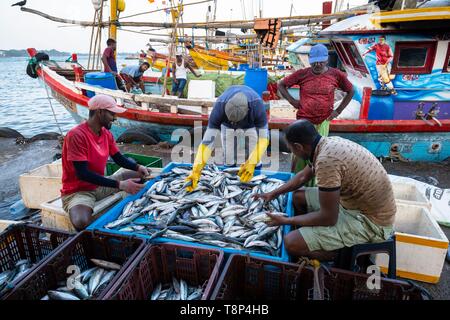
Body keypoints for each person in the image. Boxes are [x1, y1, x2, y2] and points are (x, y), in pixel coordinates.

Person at [254, 120, 396, 261]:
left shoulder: (326, 161)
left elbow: (328, 218)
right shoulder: (326, 144)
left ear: (299, 147)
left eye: (291, 150)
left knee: (291, 243)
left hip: (372, 222)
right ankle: (312, 238)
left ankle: (337, 257)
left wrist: (287, 220)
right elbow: (303, 176)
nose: (293, 154)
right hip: (355, 204)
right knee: (297, 196)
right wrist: (273, 193)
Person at [61, 95, 149, 231]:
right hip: (79, 191)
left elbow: (118, 159)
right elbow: (82, 174)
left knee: (140, 176)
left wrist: (138, 167)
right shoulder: (76, 135)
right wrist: (120, 184)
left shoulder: (106, 134)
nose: (115, 118)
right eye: (112, 114)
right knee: (81, 222)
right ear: (99, 112)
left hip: (100, 183)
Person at [277, 44, 354, 181]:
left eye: (321, 61)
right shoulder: (302, 74)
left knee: (318, 155)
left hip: (323, 121)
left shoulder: (336, 74)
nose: (317, 65)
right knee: (299, 156)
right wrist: (292, 101)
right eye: (314, 62)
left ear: (326, 60)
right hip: (303, 122)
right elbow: (281, 85)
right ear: (310, 60)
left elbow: (350, 91)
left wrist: (338, 111)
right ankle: (295, 185)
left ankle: (315, 186)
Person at [185, 85, 269, 191]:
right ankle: (229, 186)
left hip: (250, 126)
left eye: (237, 122)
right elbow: (207, 142)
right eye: (232, 121)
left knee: (254, 157)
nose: (235, 125)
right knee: (229, 157)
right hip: (227, 126)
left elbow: (264, 138)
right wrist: (196, 171)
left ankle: (256, 183)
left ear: (248, 110)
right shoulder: (219, 106)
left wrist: (252, 162)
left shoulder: (257, 104)